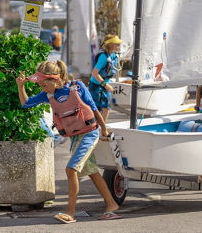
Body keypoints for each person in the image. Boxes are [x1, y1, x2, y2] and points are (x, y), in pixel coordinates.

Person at [16, 60, 122, 223]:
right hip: (75, 137)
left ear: (55, 80)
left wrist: (104, 129)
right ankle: (112, 204)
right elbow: (26, 103)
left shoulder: (78, 87)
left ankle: (70, 212)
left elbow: (93, 108)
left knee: (71, 169)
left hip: (89, 134)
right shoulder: (47, 95)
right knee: (92, 172)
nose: (42, 89)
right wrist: (20, 86)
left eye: (43, 85)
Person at [89, 34, 122, 121]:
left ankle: (102, 127)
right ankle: (93, 128)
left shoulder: (114, 55)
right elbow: (94, 73)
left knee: (106, 107)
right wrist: (105, 85)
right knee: (95, 108)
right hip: (96, 85)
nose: (119, 45)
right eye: (117, 44)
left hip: (105, 84)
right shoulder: (103, 57)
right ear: (110, 44)